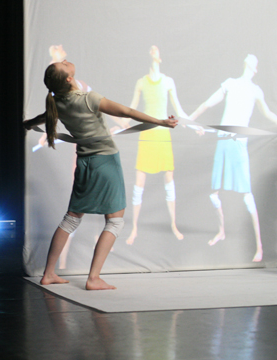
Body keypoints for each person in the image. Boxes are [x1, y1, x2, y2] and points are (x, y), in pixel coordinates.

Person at [23, 59, 178, 290]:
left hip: (85, 162)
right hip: (105, 162)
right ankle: (93, 279)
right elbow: (126, 111)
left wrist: (27, 124)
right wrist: (161, 122)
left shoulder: (57, 103)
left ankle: (49, 274)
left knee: (72, 218)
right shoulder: (89, 99)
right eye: (63, 64)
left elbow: (43, 119)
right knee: (114, 221)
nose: (65, 61)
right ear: (68, 78)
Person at [190, 54, 277, 262]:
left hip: (238, 143)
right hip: (222, 140)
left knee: (247, 195)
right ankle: (221, 231)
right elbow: (208, 103)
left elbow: (268, 114)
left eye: (255, 61)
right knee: (214, 192)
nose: (251, 60)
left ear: (255, 69)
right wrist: (189, 119)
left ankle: (259, 246)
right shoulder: (229, 84)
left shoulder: (256, 90)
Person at [121, 45, 189, 244]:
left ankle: (173, 225)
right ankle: (134, 228)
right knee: (139, 182)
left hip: (163, 136)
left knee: (169, 179)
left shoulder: (168, 81)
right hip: (147, 136)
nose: (153, 49)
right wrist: (121, 121)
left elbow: (179, 109)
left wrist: (194, 124)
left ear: (160, 57)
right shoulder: (141, 82)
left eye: (157, 49)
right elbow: (131, 108)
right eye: (150, 48)